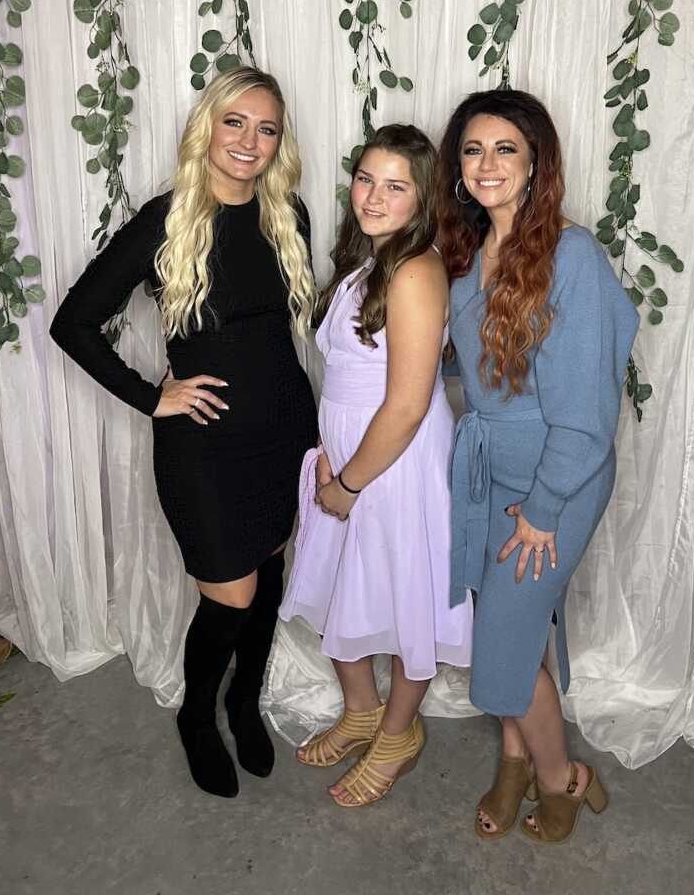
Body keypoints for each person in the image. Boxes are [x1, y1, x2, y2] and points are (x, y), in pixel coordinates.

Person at [50, 67, 317, 799]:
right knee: (228, 594)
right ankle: (199, 716)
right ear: (207, 127)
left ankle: (244, 701)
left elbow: (288, 331)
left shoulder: (287, 214)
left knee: (265, 578)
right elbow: (71, 324)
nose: (249, 141)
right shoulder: (165, 220)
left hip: (285, 431)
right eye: (235, 122)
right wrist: (149, 396)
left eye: (266, 129)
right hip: (204, 447)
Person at [436, 89, 638, 844]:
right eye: (472, 150)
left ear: (535, 165)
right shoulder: (465, 255)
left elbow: (587, 412)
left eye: (505, 150)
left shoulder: (572, 255)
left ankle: (564, 779)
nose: (487, 165)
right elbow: (478, 370)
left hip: (561, 474)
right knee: (510, 626)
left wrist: (546, 506)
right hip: (493, 462)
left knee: (503, 646)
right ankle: (515, 764)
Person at [279, 123, 473, 807]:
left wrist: (350, 484)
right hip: (351, 460)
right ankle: (360, 710)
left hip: (393, 467)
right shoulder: (369, 258)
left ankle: (397, 732)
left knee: (403, 593)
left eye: (396, 186)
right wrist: (334, 460)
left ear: (422, 199)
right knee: (343, 587)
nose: (374, 196)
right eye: (366, 179)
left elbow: (410, 404)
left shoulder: (416, 270)